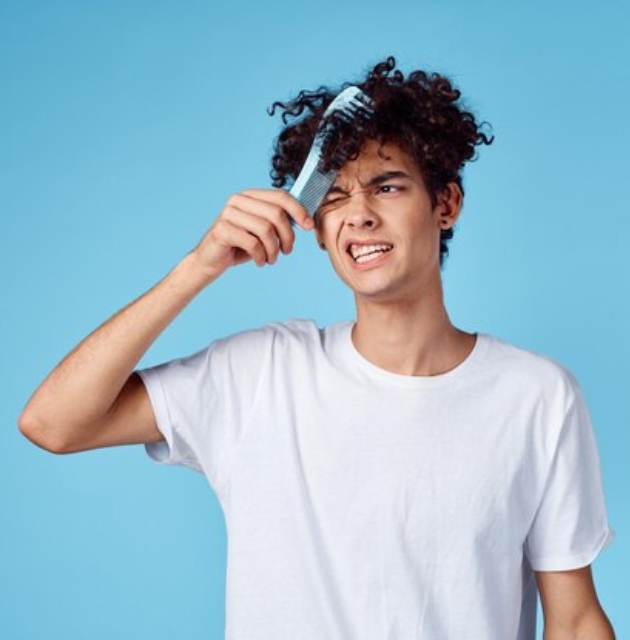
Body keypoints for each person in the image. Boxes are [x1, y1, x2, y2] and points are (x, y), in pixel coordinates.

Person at [19, 57, 616, 639]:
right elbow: (53, 423)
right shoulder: (261, 375)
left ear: (446, 205)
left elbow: (574, 619)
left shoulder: (536, 395)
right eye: (334, 196)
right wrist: (196, 269)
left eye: (387, 186)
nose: (358, 215)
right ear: (318, 228)